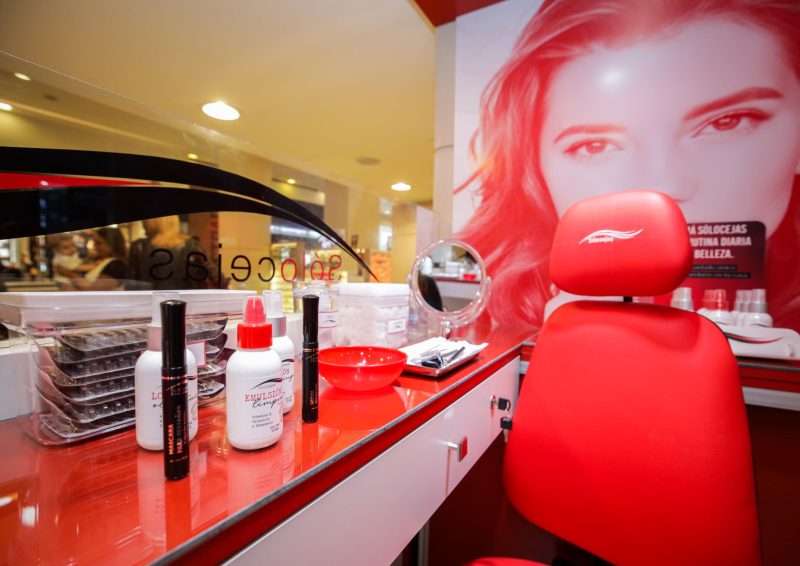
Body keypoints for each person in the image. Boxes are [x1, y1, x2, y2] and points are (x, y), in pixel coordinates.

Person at [456, 0, 800, 331]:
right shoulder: (506, 315)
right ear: (535, 173)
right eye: (596, 146)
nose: (664, 186)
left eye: (726, 123)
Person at [128, 216, 218, 290]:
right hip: (187, 303)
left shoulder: (138, 247)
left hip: (149, 303)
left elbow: (131, 285)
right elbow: (215, 275)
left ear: (149, 223)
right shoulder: (192, 245)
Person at [73, 227, 129, 291]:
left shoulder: (116, 265)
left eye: (99, 243)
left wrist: (70, 274)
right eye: (94, 242)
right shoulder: (101, 261)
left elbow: (93, 290)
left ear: (112, 244)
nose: (94, 246)